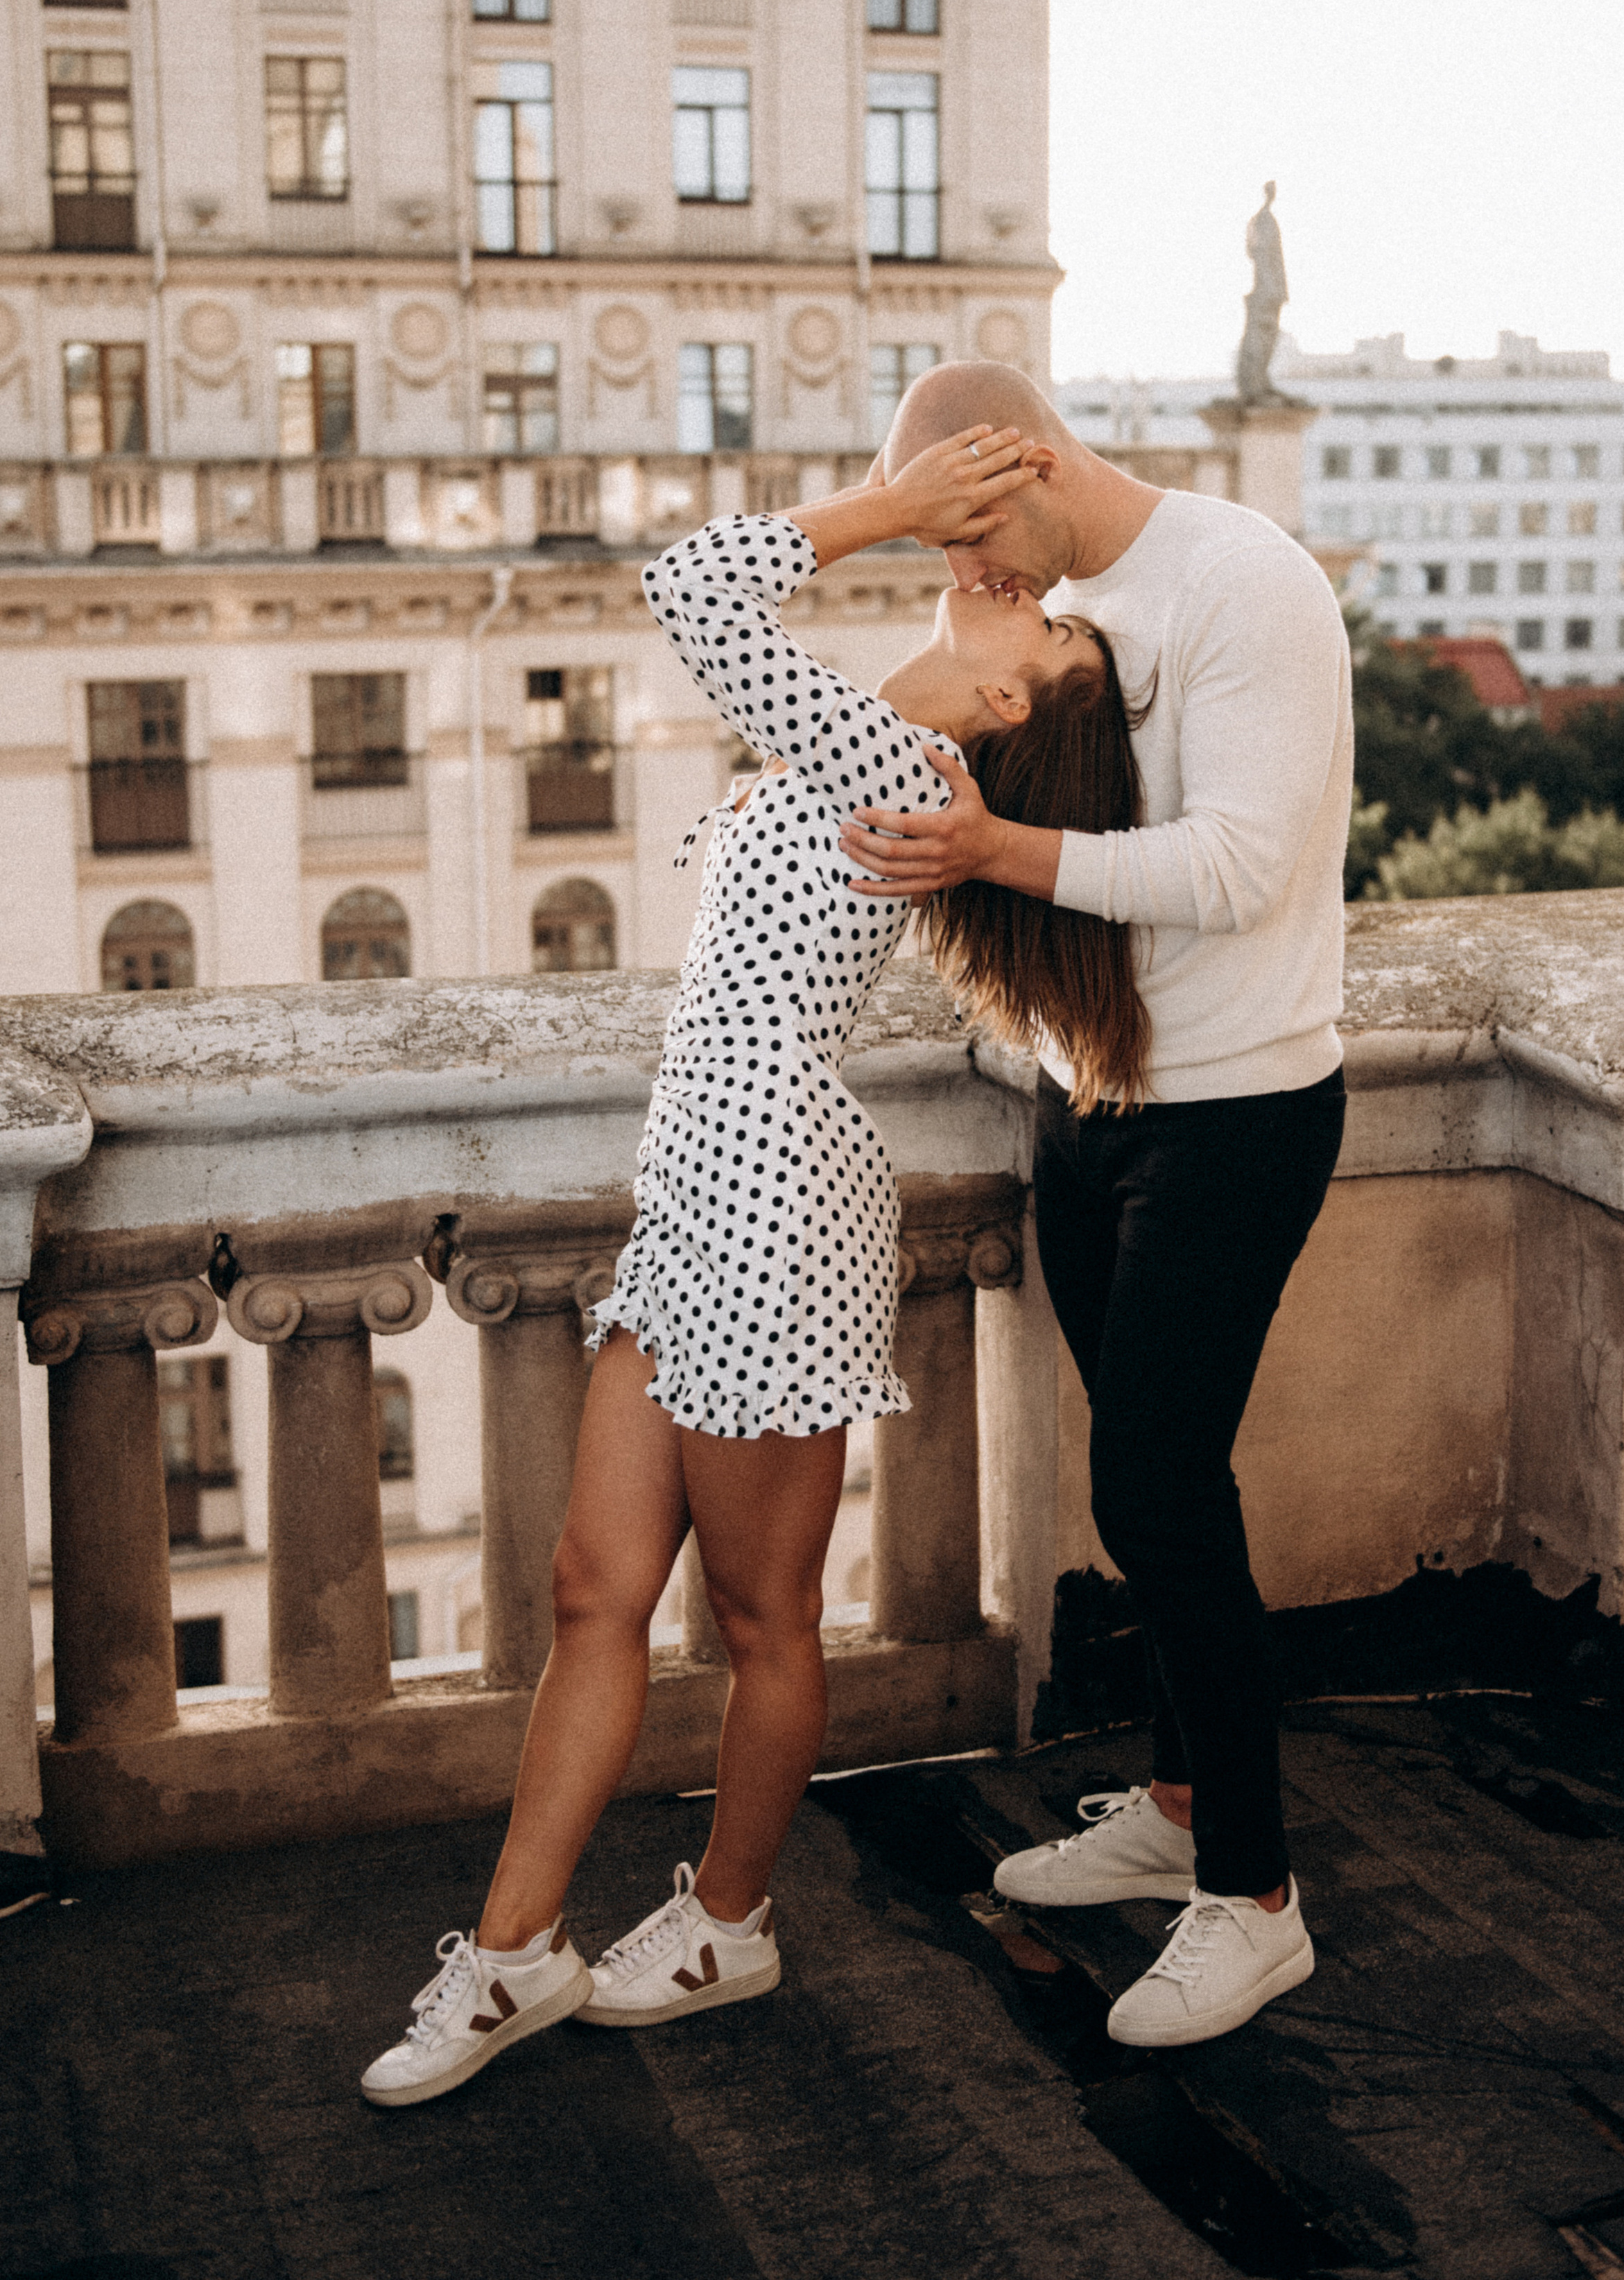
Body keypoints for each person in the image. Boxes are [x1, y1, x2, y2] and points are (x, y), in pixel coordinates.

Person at [359, 426, 1152, 2106]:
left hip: (774, 1202)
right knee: (592, 1586)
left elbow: (693, 589)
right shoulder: (875, 750)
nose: (1027, 586)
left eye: (1054, 623)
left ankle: (726, 1919)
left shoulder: (893, 765)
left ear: (1013, 711)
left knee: (760, 1614)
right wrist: (930, 530)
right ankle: (512, 1954)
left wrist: (892, 510)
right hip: (704, 1194)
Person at [840, 361, 1353, 2050]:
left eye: (975, 525)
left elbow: (1234, 864)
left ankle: (1253, 1900)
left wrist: (990, 852)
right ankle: (1182, 1803)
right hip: (1092, 1103)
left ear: (1034, 459)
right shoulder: (1045, 593)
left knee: (1158, 1486)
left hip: (1236, 1114)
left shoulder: (1240, 582)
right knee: (1137, 1485)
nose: (981, 573)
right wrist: (947, 587)